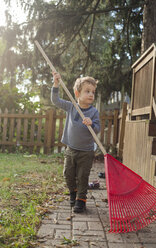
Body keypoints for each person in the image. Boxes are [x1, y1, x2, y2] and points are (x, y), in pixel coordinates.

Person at [51, 72, 100, 213]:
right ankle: (73, 192)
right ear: (77, 93)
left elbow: (97, 129)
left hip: (86, 151)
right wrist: (56, 84)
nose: (91, 94)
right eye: (87, 91)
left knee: (82, 176)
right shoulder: (71, 106)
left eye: (93, 92)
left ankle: (81, 200)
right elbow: (56, 100)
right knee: (68, 174)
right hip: (71, 148)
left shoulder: (93, 112)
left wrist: (91, 124)